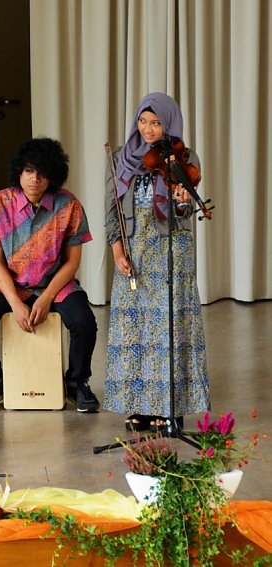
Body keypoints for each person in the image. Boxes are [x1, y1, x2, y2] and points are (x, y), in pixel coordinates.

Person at [0, 138, 100, 413]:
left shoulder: (69, 205)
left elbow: (72, 262)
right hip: (10, 284)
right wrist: (15, 302)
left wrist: (47, 297)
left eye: (42, 172)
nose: (34, 179)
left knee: (85, 322)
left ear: (53, 175)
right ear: (18, 172)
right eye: (28, 171)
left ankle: (76, 382)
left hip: (55, 284)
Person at [103, 92, 209, 432]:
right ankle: (141, 406)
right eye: (143, 121)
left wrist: (181, 202)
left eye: (156, 122)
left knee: (169, 329)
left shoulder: (184, 156)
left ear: (169, 123)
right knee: (135, 331)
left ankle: (171, 407)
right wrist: (118, 251)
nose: (148, 129)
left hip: (171, 249)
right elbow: (112, 211)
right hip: (134, 249)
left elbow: (185, 213)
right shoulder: (121, 157)